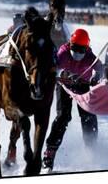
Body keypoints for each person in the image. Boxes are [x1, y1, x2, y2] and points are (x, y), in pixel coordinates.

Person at [42, 28, 104, 171]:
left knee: (88, 115)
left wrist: (96, 77)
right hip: (64, 87)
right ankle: (49, 153)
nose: (77, 53)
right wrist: (61, 73)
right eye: (75, 48)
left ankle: (92, 150)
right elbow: (53, 68)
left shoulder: (89, 56)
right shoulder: (63, 53)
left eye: (81, 49)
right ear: (70, 44)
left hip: (82, 86)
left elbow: (101, 68)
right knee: (63, 116)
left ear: (87, 48)